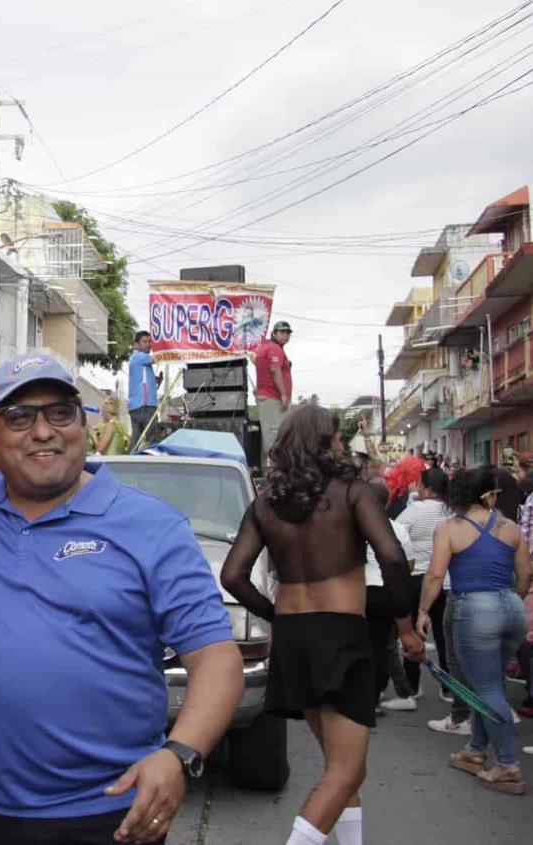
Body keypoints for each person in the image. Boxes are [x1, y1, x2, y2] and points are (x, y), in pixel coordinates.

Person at [0, 352, 243, 845]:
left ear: (83, 425)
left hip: (112, 816)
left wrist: (179, 754)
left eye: (60, 412)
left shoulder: (152, 526)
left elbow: (216, 659)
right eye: (19, 417)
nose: (42, 431)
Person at [221, 405, 424, 845]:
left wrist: (275, 613)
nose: (341, 444)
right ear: (324, 441)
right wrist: (405, 626)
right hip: (340, 635)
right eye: (336, 436)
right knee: (345, 769)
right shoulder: (353, 493)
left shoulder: (265, 504)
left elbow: (232, 576)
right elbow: (391, 556)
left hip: (293, 638)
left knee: (344, 766)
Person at [418, 467, 531, 795]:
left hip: (474, 609)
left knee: (487, 688)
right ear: (489, 495)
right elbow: (525, 574)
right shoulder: (510, 527)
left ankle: (508, 766)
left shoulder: (450, 528)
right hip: (511, 608)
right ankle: (476, 750)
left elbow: (436, 576)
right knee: (489, 684)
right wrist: (511, 602)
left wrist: (423, 611)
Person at [382, 467, 450, 710]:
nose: (417, 489)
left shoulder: (411, 513)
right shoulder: (451, 512)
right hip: (446, 581)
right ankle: (448, 688)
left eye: (420, 485)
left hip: (415, 579)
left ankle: (412, 686)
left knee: (410, 632)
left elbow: (393, 538)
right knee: (444, 637)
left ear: (428, 488)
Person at [361, 482, 414, 718]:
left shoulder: (353, 527)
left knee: (357, 646)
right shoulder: (397, 528)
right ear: (388, 502)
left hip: (356, 592)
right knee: (380, 647)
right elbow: (407, 565)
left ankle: (356, 697)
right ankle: (372, 700)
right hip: (384, 592)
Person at [253, 320, 293, 471]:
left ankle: (275, 467)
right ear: (274, 333)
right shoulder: (274, 348)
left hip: (268, 397)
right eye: (282, 332)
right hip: (273, 398)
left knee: (276, 433)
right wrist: (283, 394)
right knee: (276, 435)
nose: (286, 336)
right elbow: (275, 371)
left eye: (288, 333)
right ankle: (275, 470)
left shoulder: (265, 348)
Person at [127, 330, 159, 451]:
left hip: (136, 405)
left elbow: (143, 380)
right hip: (144, 404)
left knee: (137, 437)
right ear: (136, 345)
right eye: (144, 341)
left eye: (150, 341)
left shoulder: (140, 361)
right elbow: (157, 358)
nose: (148, 344)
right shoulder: (138, 356)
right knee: (152, 436)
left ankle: (130, 459)